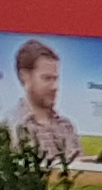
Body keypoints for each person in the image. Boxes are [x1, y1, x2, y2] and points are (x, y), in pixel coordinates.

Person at [8, 38, 80, 171]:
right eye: (47, 78)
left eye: (56, 78)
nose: (55, 86)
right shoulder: (14, 127)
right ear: (25, 76)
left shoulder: (66, 126)